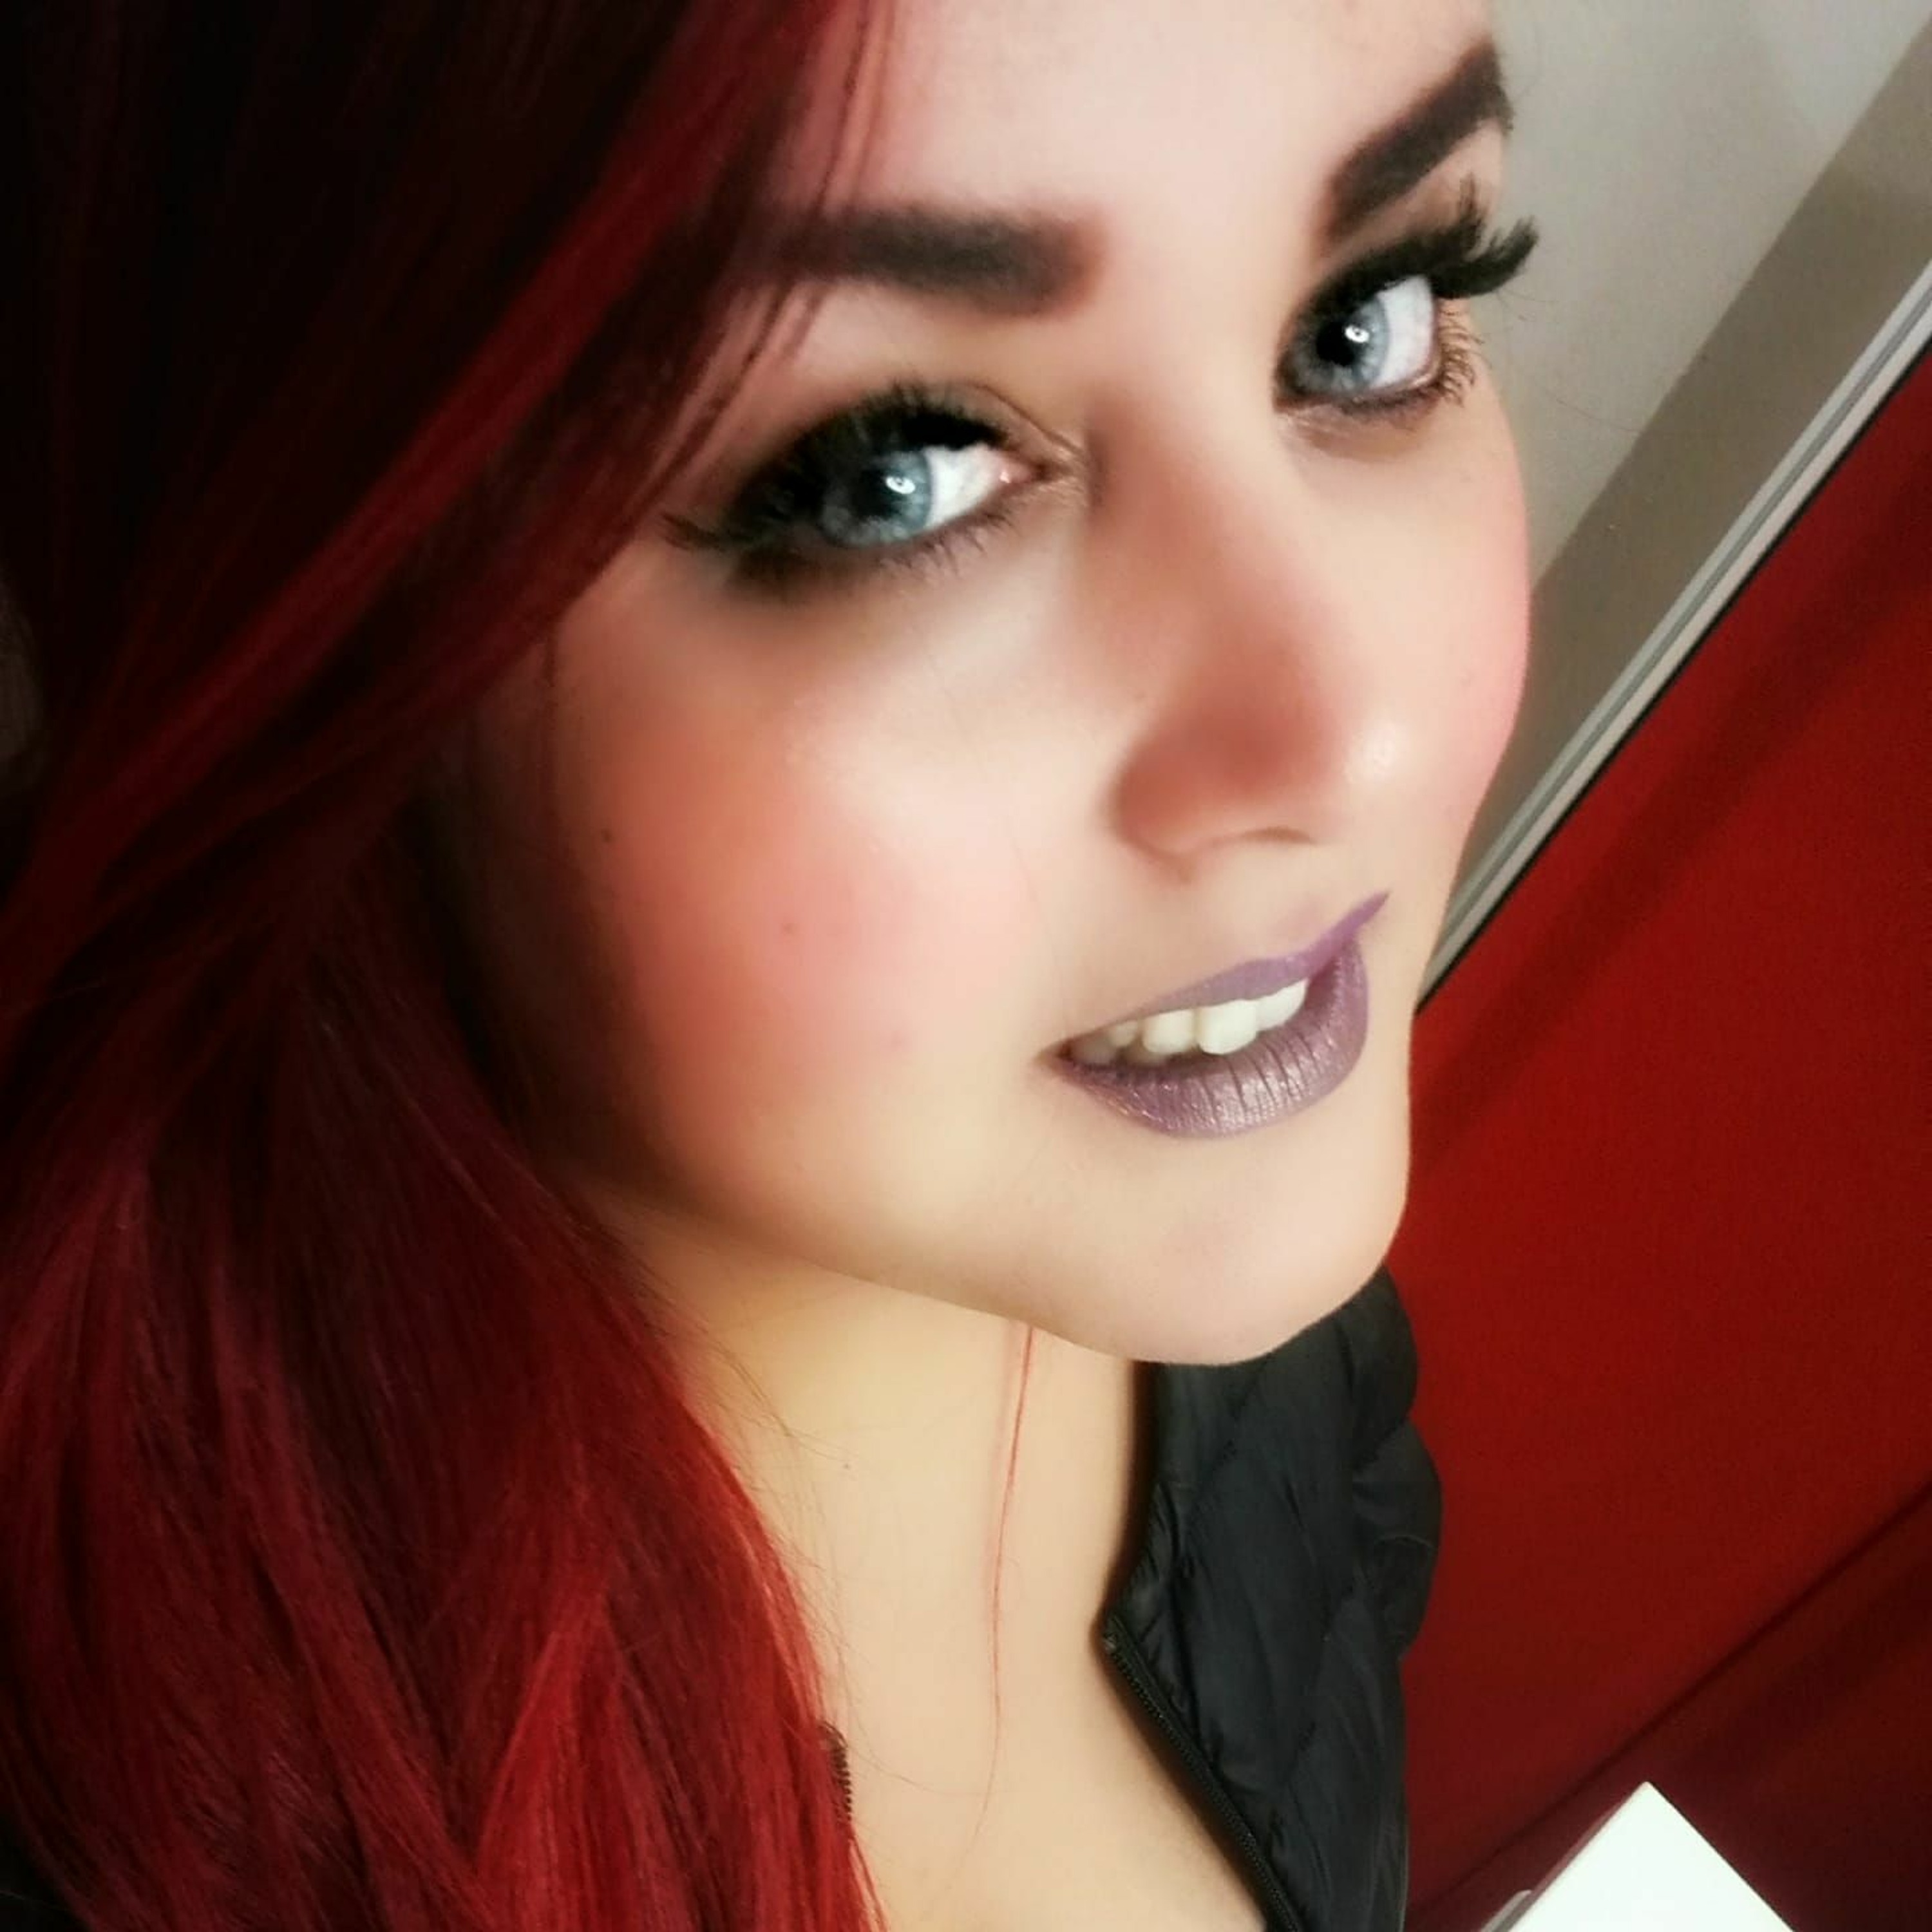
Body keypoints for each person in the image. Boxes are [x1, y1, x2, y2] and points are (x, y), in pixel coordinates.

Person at [0, 1, 1539, 1927]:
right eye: (894, 472)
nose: (1346, 740)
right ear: (312, 631)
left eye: (1363, 326)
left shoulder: (1202, 1213)